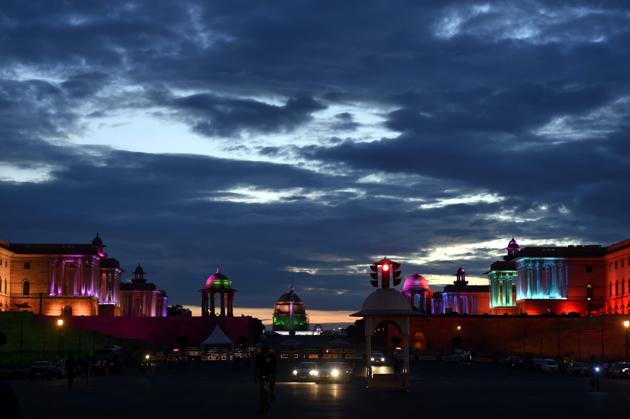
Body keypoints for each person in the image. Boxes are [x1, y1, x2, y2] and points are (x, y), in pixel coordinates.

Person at [254, 345, 277, 415]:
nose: (265, 354)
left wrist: (273, 374)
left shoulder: (272, 356)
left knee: (271, 383)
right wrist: (255, 377)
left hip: (270, 373)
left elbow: (274, 366)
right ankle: (260, 408)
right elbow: (255, 367)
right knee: (261, 392)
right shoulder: (258, 357)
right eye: (263, 353)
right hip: (261, 373)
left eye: (266, 353)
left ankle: (272, 393)